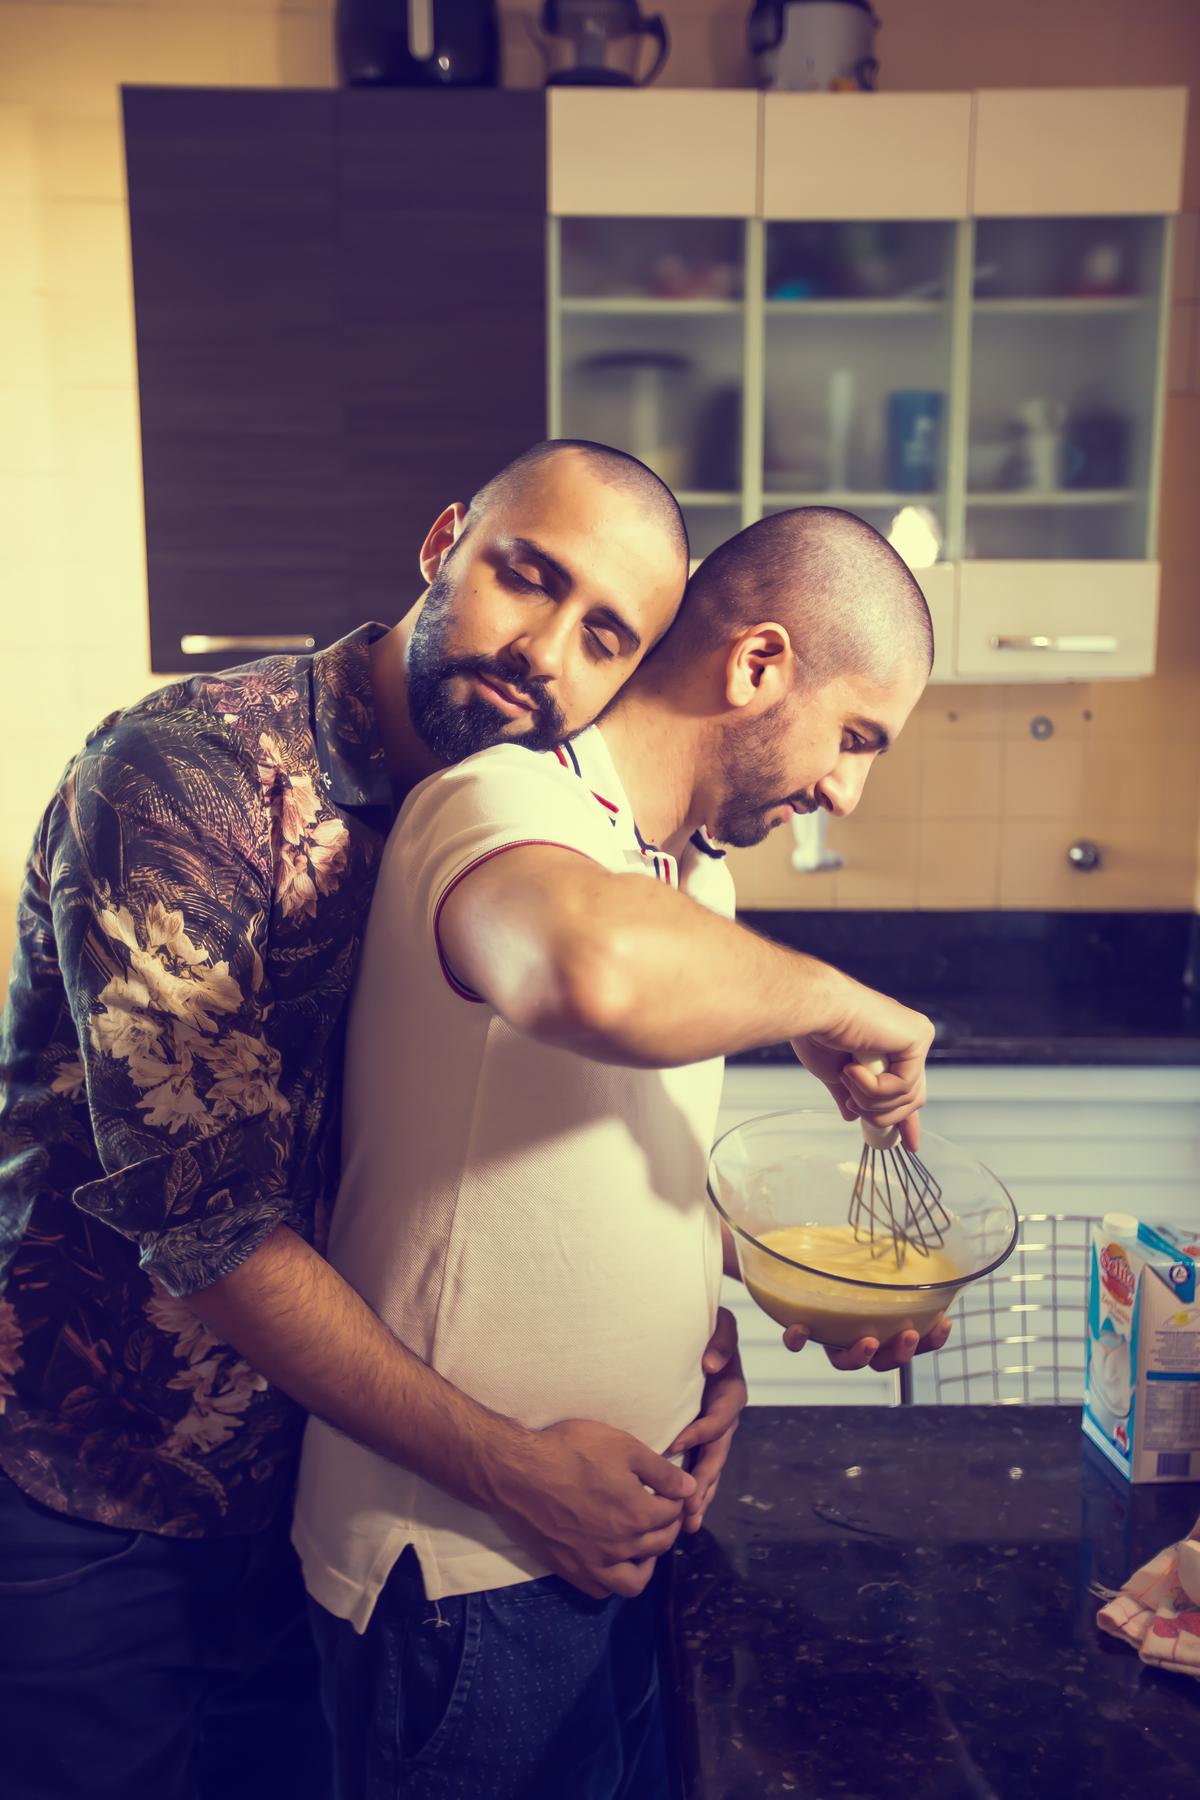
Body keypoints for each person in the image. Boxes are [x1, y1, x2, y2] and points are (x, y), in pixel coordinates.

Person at [0, 441, 753, 1800]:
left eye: (603, 636)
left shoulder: (523, 828)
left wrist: (694, 1343)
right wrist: (516, 1472)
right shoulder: (189, 778)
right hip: (99, 1490)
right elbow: (205, 1226)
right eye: (527, 576)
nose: (541, 652)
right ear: (444, 541)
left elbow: (527, 1157)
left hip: (325, 1491)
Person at [293, 505, 945, 1799]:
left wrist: (709, 1331)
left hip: (614, 1541)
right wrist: (832, 998)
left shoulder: (694, 887)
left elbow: (581, 1168)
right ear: (759, 665)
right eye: (856, 738)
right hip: (458, 1574)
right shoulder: (502, 797)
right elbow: (582, 969)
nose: (845, 791)